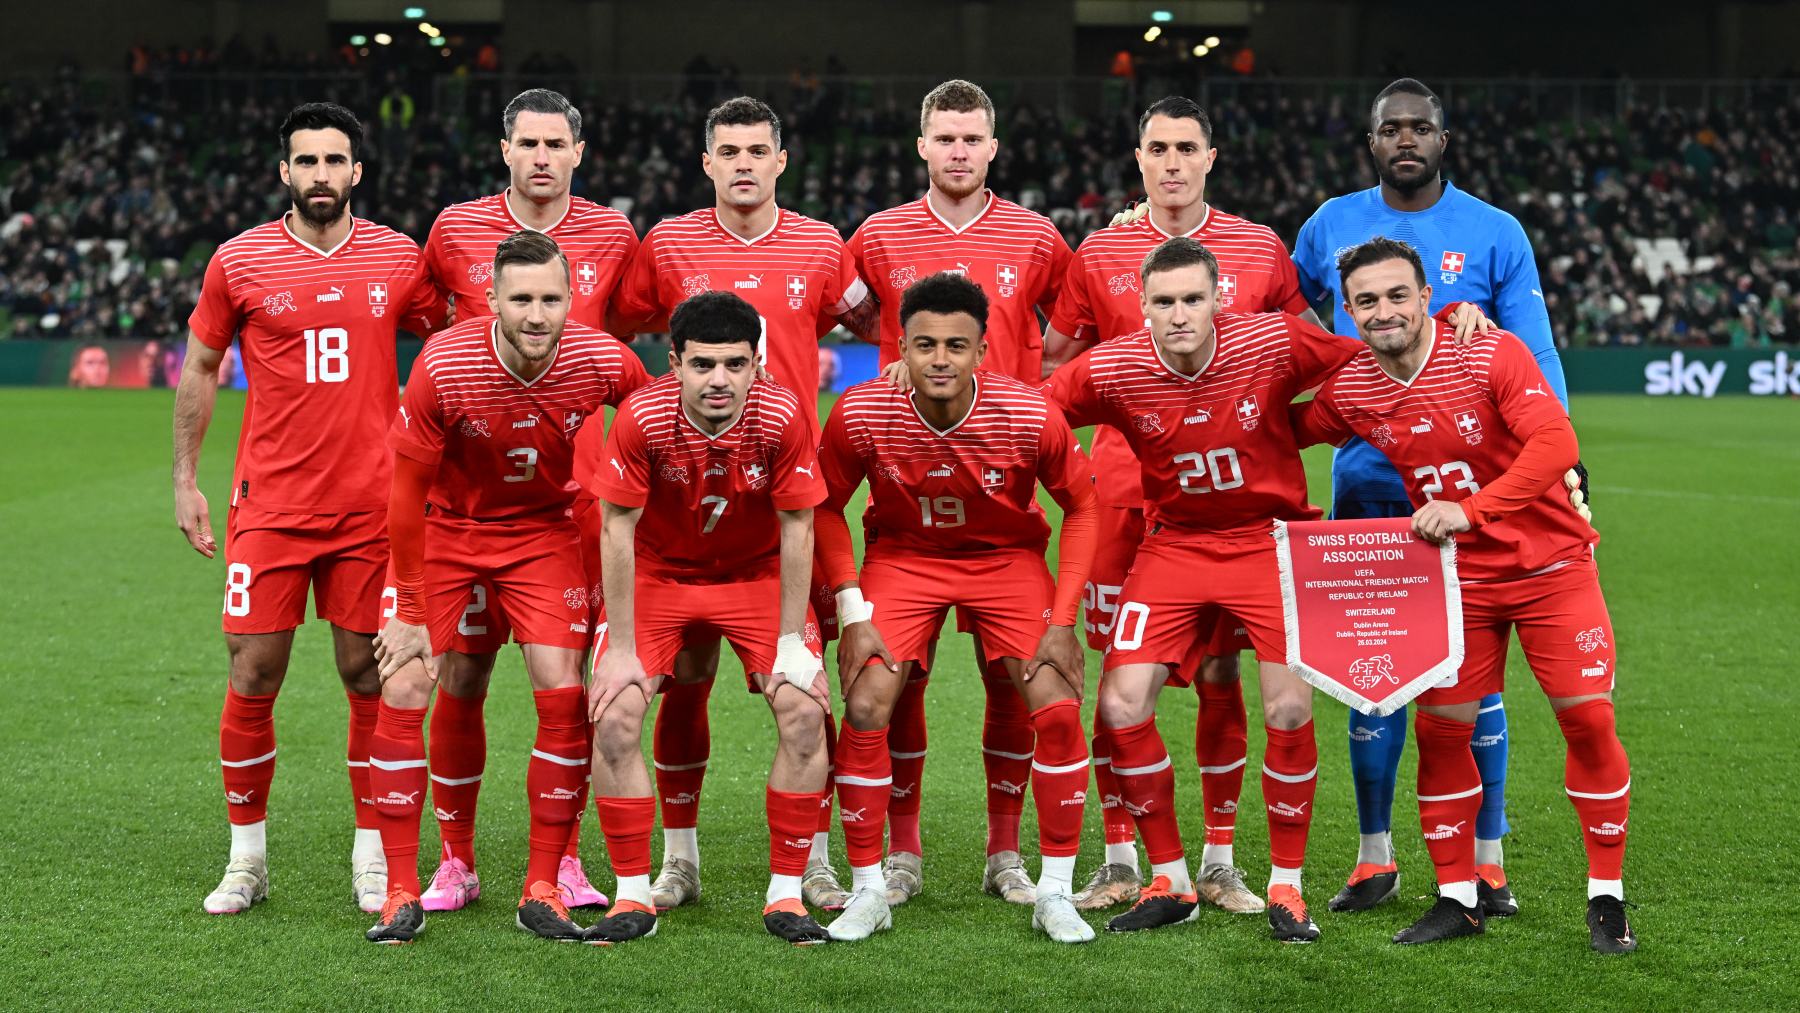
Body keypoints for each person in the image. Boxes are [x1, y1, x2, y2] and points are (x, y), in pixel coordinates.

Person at [1291, 237, 1634, 953]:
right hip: (1455, 581)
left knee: (1588, 723)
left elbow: (1556, 444)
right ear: (1348, 313)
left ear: (1425, 298)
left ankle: (1607, 895)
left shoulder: (1487, 352)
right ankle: (1457, 897)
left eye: (1396, 295)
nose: (1383, 311)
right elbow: (1283, 430)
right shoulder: (1356, 386)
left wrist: (1472, 511)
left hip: (1551, 569)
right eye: (1365, 301)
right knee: (1440, 732)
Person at [1292, 78, 1570, 916]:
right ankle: (1375, 856)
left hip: (1466, 495)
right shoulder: (1326, 224)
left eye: (1420, 127)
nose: (1405, 139)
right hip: (1367, 489)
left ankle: (1487, 859)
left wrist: (1566, 476)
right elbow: (1284, 324)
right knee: (1370, 672)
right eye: (1390, 129)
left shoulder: (1495, 231)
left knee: (1473, 678)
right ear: (1370, 141)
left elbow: (1535, 353)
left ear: (1443, 138)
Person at [1042, 96, 1319, 915]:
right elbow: (1059, 358)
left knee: (1227, 672)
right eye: (1156, 148)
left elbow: (1297, 355)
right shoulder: (1099, 251)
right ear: (1138, 158)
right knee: (1115, 677)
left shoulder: (1260, 248)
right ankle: (1123, 854)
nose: (1171, 162)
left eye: (1185, 147)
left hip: (1229, 507)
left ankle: (1222, 856)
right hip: (1122, 498)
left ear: (1210, 156)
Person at [1048, 236, 1364, 943]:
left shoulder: (1275, 340)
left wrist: (1465, 323)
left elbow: (1371, 357)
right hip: (1177, 545)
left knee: (1286, 706)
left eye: (1194, 298)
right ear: (1143, 308)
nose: (1181, 313)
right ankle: (1172, 877)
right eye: (1165, 301)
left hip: (1270, 539)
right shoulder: (1117, 367)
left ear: (1220, 298)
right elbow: (1035, 412)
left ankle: (1287, 886)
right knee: (1121, 702)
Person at [607, 95, 878, 913]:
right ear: (707, 163)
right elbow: (622, 320)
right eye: (728, 151)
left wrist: (894, 362)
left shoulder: (822, 244)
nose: (744, 164)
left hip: (786, 494)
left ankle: (814, 859)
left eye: (758, 150)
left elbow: (872, 315)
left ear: (781, 160)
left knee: (809, 685)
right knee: (679, 688)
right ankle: (678, 860)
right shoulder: (669, 243)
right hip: (684, 488)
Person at [174, 102, 443, 917]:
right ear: (283, 171)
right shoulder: (239, 260)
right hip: (273, 505)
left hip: (372, 508)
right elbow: (198, 368)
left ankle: (371, 854)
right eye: (306, 161)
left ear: (356, 171)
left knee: (369, 673)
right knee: (254, 669)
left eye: (335, 161)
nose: (320, 174)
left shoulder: (399, 257)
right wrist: (185, 477)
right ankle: (246, 859)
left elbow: (450, 342)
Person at [362, 230, 648, 943]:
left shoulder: (600, 357)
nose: (536, 312)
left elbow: (655, 414)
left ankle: (544, 881)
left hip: (545, 533)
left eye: (551, 297)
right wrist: (409, 609)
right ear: (490, 298)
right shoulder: (445, 362)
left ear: (570, 299)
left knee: (560, 686)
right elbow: (405, 496)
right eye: (520, 297)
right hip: (446, 533)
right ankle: (401, 888)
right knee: (405, 683)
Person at [814, 272, 1099, 943]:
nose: (939, 358)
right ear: (901, 350)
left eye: (955, 345)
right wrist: (853, 612)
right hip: (907, 558)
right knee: (866, 701)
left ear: (981, 351)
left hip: (1006, 560)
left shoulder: (1028, 413)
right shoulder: (860, 410)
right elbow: (824, 506)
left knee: (1054, 705)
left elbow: (1084, 507)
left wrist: (1063, 620)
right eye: (924, 345)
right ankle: (870, 888)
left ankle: (1051, 890)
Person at [845, 78, 1075, 908]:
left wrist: (1026, 394)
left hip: (1004, 494)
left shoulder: (1039, 237)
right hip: (906, 492)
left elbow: (1069, 329)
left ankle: (1004, 853)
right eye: (944, 137)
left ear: (993, 146)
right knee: (890, 680)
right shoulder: (876, 236)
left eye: (972, 138)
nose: (958, 151)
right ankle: (901, 854)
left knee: (1014, 681)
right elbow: (843, 316)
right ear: (921, 145)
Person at [416, 86, 640, 913]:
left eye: (557, 143)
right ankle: (453, 858)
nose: (542, 156)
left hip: (573, 504)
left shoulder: (616, 234)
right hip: (467, 501)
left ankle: (566, 856)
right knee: (461, 676)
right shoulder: (450, 230)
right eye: (528, 143)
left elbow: (639, 345)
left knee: (566, 681)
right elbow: (421, 325)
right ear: (504, 149)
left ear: (579, 153)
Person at [581, 290, 832, 946]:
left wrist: (790, 643)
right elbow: (616, 529)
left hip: (755, 576)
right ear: (674, 362)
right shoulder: (640, 417)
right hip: (660, 575)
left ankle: (784, 893)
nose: (717, 379)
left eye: (733, 364)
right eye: (701, 365)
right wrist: (622, 649)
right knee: (613, 710)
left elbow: (798, 524)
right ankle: (634, 890)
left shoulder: (783, 414)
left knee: (806, 710)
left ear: (757, 363)